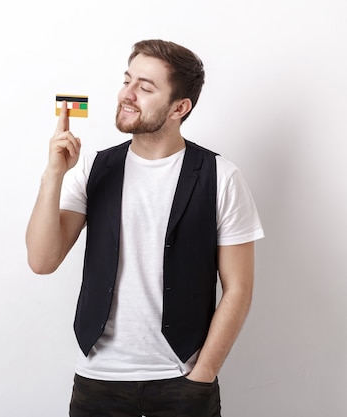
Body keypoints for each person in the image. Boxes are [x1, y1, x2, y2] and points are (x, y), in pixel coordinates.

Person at [25, 39, 265, 417]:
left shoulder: (221, 176)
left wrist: (202, 375)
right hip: (97, 382)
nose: (127, 94)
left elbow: (239, 288)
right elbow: (42, 260)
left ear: (179, 107)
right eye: (127, 80)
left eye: (146, 87)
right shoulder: (93, 169)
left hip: (182, 382)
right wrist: (53, 174)